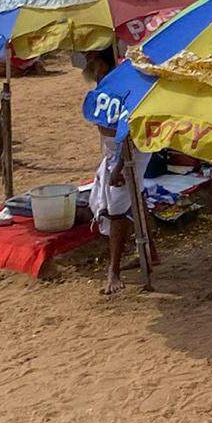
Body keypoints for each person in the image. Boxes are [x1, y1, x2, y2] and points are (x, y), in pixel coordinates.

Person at [83, 50, 144, 293]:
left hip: (130, 150)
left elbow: (129, 128)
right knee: (136, 195)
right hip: (112, 151)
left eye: (91, 58)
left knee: (117, 208)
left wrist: (120, 165)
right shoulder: (103, 84)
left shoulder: (124, 82)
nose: (87, 63)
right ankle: (149, 253)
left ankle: (114, 270)